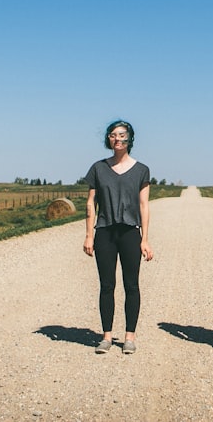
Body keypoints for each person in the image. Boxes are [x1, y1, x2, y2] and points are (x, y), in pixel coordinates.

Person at [83, 119, 154, 355]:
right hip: (104, 232)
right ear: (108, 139)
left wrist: (145, 239)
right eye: (113, 135)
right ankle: (106, 336)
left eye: (122, 134)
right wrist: (88, 236)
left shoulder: (142, 169)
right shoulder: (98, 168)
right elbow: (90, 204)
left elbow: (144, 206)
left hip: (130, 233)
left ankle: (129, 337)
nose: (117, 138)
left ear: (130, 139)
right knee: (107, 285)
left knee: (131, 285)